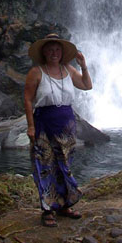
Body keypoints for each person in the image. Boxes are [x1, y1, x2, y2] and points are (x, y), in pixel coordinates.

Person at [24, 33, 92, 227]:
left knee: (65, 165)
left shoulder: (69, 70)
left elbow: (87, 85)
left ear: (62, 53)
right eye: (50, 50)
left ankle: (65, 205)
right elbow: (28, 100)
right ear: (44, 52)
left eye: (57, 50)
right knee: (45, 166)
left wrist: (83, 66)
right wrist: (30, 126)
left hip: (66, 125)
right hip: (44, 123)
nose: (54, 53)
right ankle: (47, 210)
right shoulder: (36, 72)